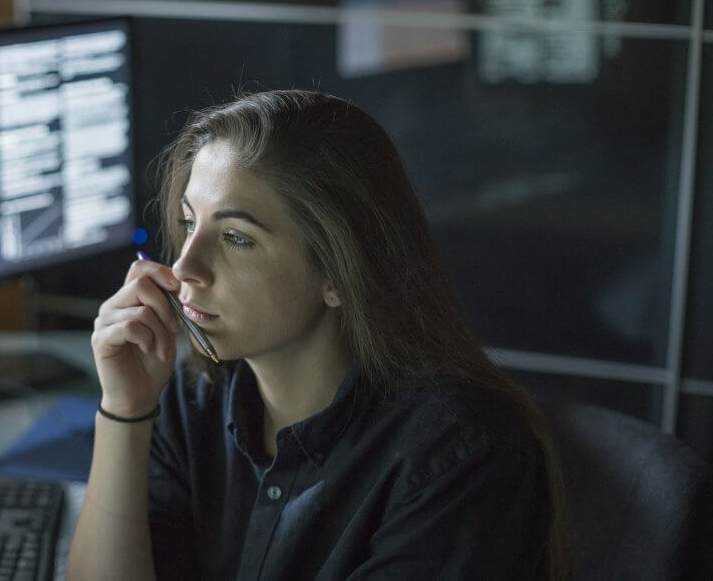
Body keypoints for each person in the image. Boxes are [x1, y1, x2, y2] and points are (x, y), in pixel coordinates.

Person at [67, 90, 572, 580]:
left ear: (338, 273)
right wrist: (125, 410)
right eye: (188, 222)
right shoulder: (192, 398)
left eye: (236, 238)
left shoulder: (460, 454)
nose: (184, 266)